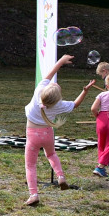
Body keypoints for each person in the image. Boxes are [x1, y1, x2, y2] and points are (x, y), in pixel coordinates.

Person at [22, 54, 93, 207]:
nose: (55, 84)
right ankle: (61, 177)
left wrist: (60, 61)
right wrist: (85, 91)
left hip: (33, 135)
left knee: (30, 165)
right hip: (48, 134)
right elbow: (75, 104)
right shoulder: (59, 105)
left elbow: (49, 75)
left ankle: (33, 194)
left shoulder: (39, 92)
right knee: (51, 154)